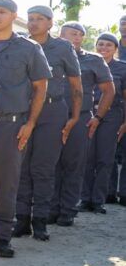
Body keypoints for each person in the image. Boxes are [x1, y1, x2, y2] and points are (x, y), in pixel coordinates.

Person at [0, 0, 51, 258]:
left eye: (2, 12)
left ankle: (3, 237)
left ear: (14, 16)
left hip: (11, 126)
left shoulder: (28, 49)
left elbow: (40, 87)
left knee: (7, 185)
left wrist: (30, 123)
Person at [14, 5, 81, 241]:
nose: (33, 23)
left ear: (50, 23)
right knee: (21, 167)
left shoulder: (62, 47)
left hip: (52, 111)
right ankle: (21, 219)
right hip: (24, 110)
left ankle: (40, 221)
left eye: (39, 19)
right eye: (30, 19)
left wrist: (74, 117)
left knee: (43, 168)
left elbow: (75, 85)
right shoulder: (20, 44)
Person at [52, 22, 113, 225]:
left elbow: (109, 91)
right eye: (72, 33)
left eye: (80, 35)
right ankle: (50, 209)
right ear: (60, 35)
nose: (77, 38)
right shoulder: (48, 54)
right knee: (50, 164)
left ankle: (68, 210)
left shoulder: (93, 60)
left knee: (74, 165)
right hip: (52, 116)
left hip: (81, 118)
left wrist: (98, 118)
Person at [82, 33, 126, 212]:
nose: (103, 48)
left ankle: (98, 200)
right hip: (89, 114)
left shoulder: (122, 68)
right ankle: (84, 198)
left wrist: (124, 123)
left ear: (116, 49)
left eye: (108, 45)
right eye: (100, 44)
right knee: (87, 158)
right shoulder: (87, 63)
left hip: (112, 116)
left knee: (105, 159)